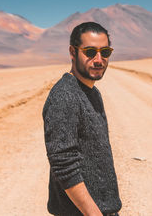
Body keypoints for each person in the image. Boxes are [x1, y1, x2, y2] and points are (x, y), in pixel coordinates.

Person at [42, 22, 122, 216]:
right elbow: (63, 162)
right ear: (73, 52)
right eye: (90, 51)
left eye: (105, 52)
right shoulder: (64, 96)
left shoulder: (92, 93)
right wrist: (93, 213)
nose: (98, 59)